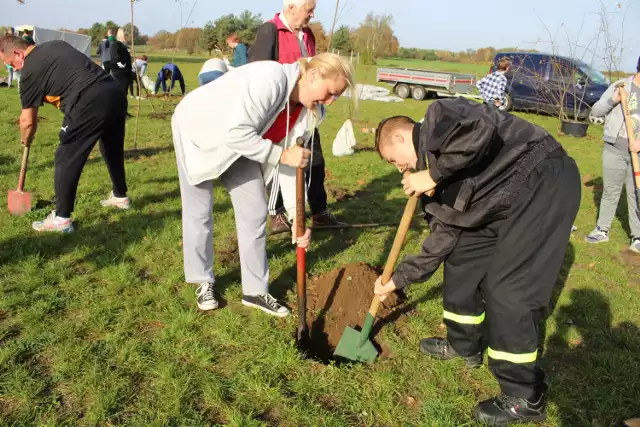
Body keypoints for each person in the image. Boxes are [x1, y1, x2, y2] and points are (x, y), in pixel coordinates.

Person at [372, 98, 581, 425]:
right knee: (461, 257)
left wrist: (433, 173)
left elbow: (481, 130)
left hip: (543, 180)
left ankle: (525, 396)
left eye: (393, 160)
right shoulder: (438, 187)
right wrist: (399, 279)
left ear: (400, 138)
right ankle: (463, 345)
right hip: (499, 207)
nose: (399, 169)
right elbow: (441, 241)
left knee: (510, 289)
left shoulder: (439, 117)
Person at [171, 52, 354, 315]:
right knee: (199, 210)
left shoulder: (309, 112)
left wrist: (296, 217)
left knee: (255, 209)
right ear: (313, 75)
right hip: (198, 130)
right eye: (329, 93)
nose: (330, 101)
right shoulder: (271, 79)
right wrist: (280, 154)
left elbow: (293, 166)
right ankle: (203, 280)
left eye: (336, 96)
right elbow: (236, 134)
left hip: (244, 144)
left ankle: (255, 291)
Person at [0, 36, 131, 232]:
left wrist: (25, 139)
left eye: (11, 64)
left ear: (18, 54)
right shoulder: (56, 44)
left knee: (66, 156)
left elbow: (27, 121)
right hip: (114, 91)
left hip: (87, 100)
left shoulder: (29, 72)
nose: (13, 69)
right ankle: (121, 197)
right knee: (111, 147)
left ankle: (61, 219)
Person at [249, 0, 346, 233]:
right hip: (280, 114)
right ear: (291, 7)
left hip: (307, 110)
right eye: (309, 9)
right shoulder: (270, 30)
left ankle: (319, 211)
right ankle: (277, 214)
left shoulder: (308, 36)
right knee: (280, 161)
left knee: (314, 161)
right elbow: (258, 73)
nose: (312, 14)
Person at [585, 57, 640, 253]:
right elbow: (597, 110)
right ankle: (602, 229)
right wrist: (613, 100)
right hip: (615, 150)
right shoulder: (621, 86)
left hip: (638, 154)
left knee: (636, 194)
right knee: (610, 190)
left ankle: (638, 237)